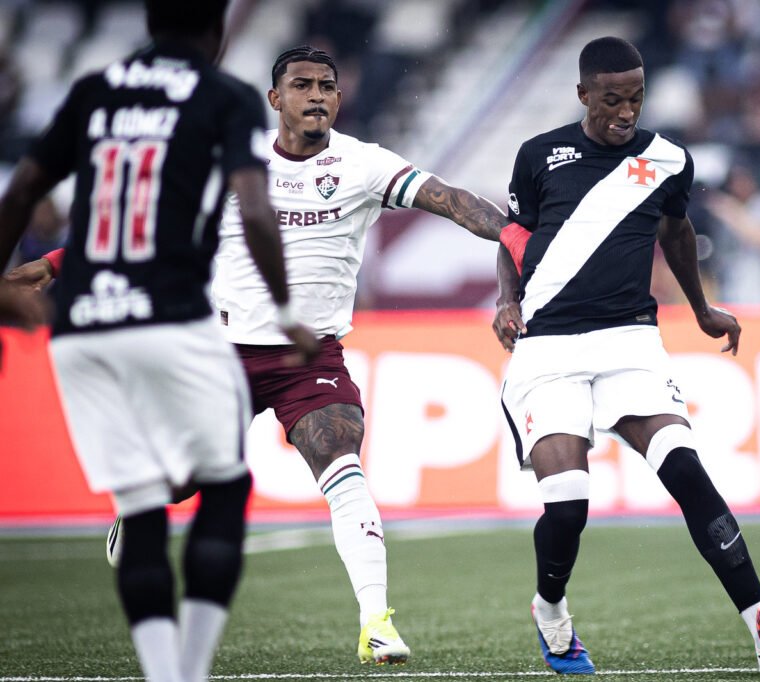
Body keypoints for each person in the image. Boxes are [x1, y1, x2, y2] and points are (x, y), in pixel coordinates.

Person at [8, 44, 514, 667]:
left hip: (312, 358)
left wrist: (514, 232)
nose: (318, 96)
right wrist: (56, 265)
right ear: (276, 99)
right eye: (302, 85)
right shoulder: (230, 161)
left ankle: (376, 621)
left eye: (327, 85)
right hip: (222, 355)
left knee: (343, 463)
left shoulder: (363, 164)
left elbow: (448, 197)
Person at [0, 2, 321, 681]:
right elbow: (254, 206)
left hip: (82, 326)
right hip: (172, 316)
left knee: (142, 505)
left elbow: (27, 185)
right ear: (219, 29)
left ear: (148, 24)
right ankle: (191, 671)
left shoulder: (95, 90)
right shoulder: (224, 96)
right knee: (226, 489)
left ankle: (161, 671)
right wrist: (287, 310)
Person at [493, 37, 760, 674]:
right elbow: (513, 235)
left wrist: (703, 308)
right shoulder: (539, 154)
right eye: (610, 99)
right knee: (570, 502)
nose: (625, 111)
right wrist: (506, 299)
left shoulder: (667, 160)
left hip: (631, 342)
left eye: (635, 98)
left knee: (686, 472)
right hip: (547, 347)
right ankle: (550, 608)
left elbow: (677, 231)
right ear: (582, 95)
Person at [703, 161, 760, 304]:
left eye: (743, 180)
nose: (739, 186)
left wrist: (732, 213)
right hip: (734, 290)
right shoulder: (726, 212)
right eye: (734, 182)